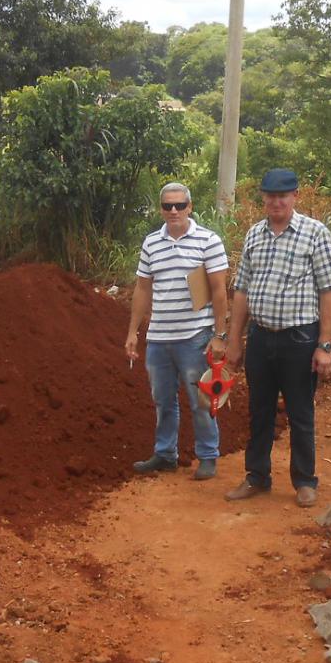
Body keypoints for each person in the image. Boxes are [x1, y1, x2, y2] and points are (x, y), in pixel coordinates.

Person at [223, 169, 331, 508]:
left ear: (295, 197)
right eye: (270, 196)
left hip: (299, 339)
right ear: (263, 198)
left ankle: (305, 481)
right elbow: (242, 290)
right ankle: (257, 477)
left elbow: (329, 291)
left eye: (283, 196)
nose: (276, 201)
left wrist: (325, 345)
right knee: (258, 411)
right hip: (261, 338)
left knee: (300, 412)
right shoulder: (254, 235)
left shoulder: (314, 233)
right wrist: (235, 340)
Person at [124, 183, 230, 480]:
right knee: (162, 399)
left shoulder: (208, 240)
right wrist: (134, 331)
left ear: (190, 207)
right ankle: (165, 453)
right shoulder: (151, 243)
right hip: (159, 337)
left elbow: (220, 291)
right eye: (168, 206)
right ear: (161, 209)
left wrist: (219, 335)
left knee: (201, 399)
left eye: (179, 205)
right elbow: (143, 288)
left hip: (194, 336)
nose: (174, 211)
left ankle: (208, 455)